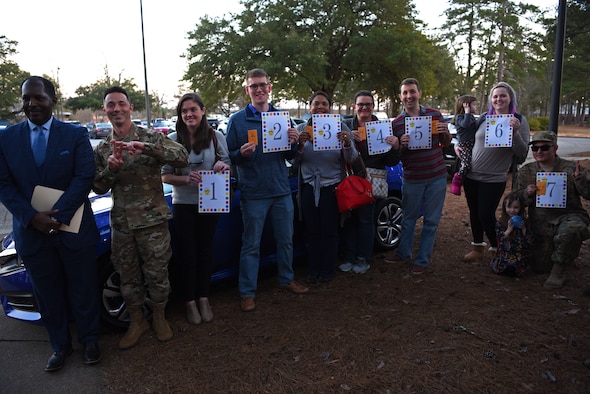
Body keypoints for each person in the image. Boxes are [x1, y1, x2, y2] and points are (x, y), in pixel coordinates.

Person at [0, 76, 101, 372]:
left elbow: (84, 177)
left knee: (83, 289)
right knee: (48, 294)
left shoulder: (75, 134)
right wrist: (33, 218)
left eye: (38, 98)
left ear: (52, 101)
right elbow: (4, 185)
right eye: (26, 98)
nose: (31, 103)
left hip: (73, 227)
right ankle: (60, 346)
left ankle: (90, 340)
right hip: (32, 232)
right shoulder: (6, 138)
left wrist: (58, 216)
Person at [93, 86, 188, 349]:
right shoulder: (102, 148)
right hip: (122, 225)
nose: (116, 109)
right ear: (105, 110)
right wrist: (111, 170)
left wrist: (147, 148)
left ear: (130, 107)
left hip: (152, 224)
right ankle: (137, 321)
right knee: (127, 276)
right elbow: (98, 186)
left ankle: (159, 317)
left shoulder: (150, 137)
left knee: (157, 274)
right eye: (111, 105)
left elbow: (181, 156)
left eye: (121, 104)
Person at [225, 68, 309, 312]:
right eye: (254, 86)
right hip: (253, 193)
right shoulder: (237, 121)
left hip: (281, 190)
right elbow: (229, 157)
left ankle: (287, 279)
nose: (259, 89)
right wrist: (240, 153)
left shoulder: (282, 118)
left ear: (269, 87)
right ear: (247, 90)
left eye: (263, 85)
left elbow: (291, 157)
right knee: (251, 244)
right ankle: (247, 292)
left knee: (286, 240)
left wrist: (295, 142)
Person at [161, 93, 231, 324]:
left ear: (202, 111)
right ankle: (189, 301)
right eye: (184, 111)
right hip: (184, 204)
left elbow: (228, 165)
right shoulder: (172, 139)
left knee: (205, 253)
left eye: (193, 109)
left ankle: (203, 297)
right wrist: (186, 179)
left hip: (211, 202)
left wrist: (222, 165)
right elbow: (165, 176)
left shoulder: (215, 137)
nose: (189, 114)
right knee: (188, 254)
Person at [384, 78, 450, 274]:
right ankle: (403, 252)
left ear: (419, 93)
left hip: (436, 177)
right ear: (400, 96)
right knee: (408, 219)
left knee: (431, 220)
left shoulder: (435, 115)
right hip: (412, 178)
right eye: (405, 93)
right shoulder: (396, 124)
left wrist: (445, 132)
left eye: (412, 91)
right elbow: (395, 157)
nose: (409, 96)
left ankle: (422, 259)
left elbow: (445, 142)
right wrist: (400, 145)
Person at [461, 81, 530, 262]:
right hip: (471, 175)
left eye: (503, 95)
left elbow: (522, 154)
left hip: (494, 178)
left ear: (510, 99)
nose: (498, 99)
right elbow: (467, 137)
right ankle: (477, 247)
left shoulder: (519, 121)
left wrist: (515, 133)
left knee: (485, 213)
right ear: (491, 99)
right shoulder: (484, 117)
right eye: (495, 96)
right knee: (474, 212)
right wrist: (457, 148)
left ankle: (497, 245)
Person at [294, 91, 357, 284]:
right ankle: (313, 270)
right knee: (311, 230)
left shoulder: (340, 126)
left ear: (330, 107)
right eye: (316, 104)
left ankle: (327, 270)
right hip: (309, 187)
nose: (320, 107)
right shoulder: (301, 129)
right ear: (310, 107)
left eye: (324, 104)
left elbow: (352, 159)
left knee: (330, 230)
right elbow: (294, 162)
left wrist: (347, 143)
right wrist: (300, 145)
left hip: (332, 187)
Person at [513, 131, 590, 288]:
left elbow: (588, 194)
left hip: (569, 216)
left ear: (555, 148)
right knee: (539, 267)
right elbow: (514, 200)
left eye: (545, 147)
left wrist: (581, 181)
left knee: (570, 230)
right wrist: (526, 193)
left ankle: (558, 272)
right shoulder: (526, 171)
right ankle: (563, 255)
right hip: (540, 221)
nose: (539, 151)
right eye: (535, 148)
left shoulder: (572, 169)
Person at [340, 90, 400, 274]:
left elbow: (391, 161)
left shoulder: (381, 127)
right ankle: (349, 257)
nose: (364, 107)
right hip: (348, 181)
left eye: (368, 104)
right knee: (348, 220)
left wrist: (395, 147)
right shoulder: (345, 126)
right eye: (361, 104)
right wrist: (347, 139)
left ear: (373, 107)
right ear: (354, 106)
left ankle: (363, 258)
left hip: (370, 181)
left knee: (366, 220)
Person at [490, 191, 532, 277]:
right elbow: (499, 240)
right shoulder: (501, 223)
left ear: (520, 208)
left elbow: (529, 241)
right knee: (505, 266)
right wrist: (508, 230)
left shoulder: (524, 223)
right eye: (509, 207)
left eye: (516, 207)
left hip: (518, 255)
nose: (512, 210)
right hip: (505, 254)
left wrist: (523, 229)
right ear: (505, 207)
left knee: (518, 268)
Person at [450, 95, 478, 196]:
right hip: (464, 144)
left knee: (472, 163)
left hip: (472, 143)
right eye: (474, 105)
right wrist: (467, 112)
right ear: (466, 106)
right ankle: (457, 180)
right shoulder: (459, 117)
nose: (476, 107)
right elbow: (465, 125)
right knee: (466, 164)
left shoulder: (471, 117)